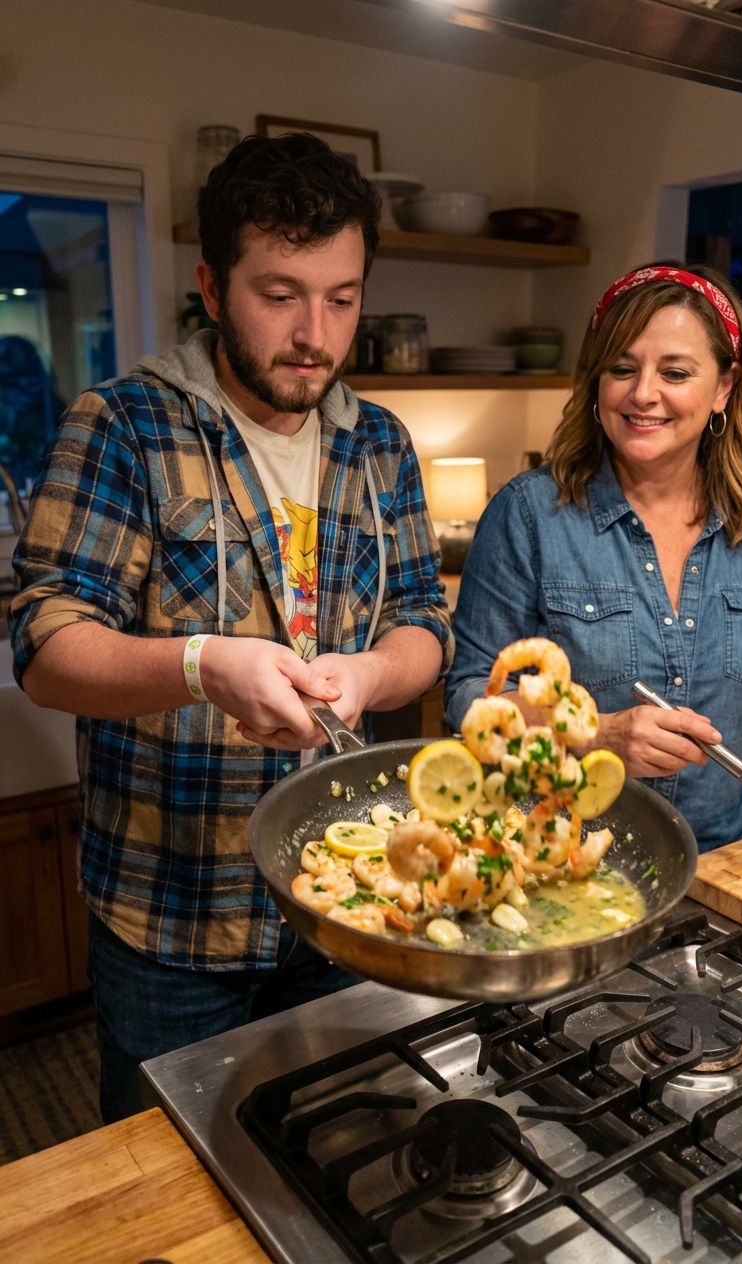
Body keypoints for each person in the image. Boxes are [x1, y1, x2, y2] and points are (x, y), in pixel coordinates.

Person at [9, 134, 452, 1121]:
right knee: (172, 1184)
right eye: (279, 292)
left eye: (341, 298)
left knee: (341, 1154)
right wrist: (204, 663)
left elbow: (424, 618)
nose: (314, 332)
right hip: (174, 914)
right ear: (211, 286)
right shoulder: (123, 425)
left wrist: (369, 678)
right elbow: (44, 642)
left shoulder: (378, 443)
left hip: (348, 901)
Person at [445, 264, 742, 852]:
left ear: (724, 388)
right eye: (622, 369)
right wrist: (594, 736)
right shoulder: (529, 513)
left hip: (722, 864)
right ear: (597, 383)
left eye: (676, 372)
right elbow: (468, 699)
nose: (642, 394)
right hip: (562, 860)